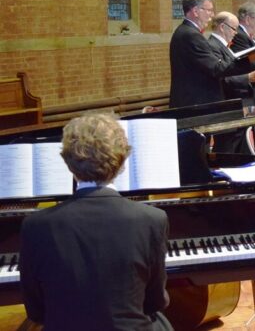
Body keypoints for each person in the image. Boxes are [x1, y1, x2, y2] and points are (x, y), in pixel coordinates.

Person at [20, 114, 172, 330]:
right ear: (121, 161)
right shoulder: (152, 219)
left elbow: (35, 311)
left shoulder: (35, 225)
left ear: (68, 163)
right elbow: (154, 302)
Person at [169, 0, 255, 108]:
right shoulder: (190, 35)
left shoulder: (185, 32)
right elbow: (216, 68)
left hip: (195, 101)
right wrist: (248, 60)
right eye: (209, 10)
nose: (212, 15)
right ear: (196, 11)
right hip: (196, 103)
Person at [207, 11, 255, 104]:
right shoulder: (213, 46)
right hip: (228, 100)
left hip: (239, 98)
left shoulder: (223, 45)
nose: (236, 33)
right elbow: (221, 77)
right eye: (234, 29)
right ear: (222, 27)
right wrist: (247, 77)